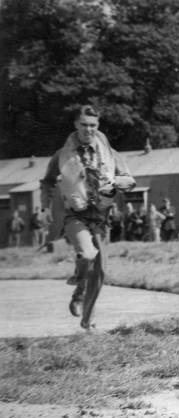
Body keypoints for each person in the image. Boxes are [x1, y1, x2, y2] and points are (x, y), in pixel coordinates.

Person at [40, 105, 135, 329]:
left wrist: (114, 186)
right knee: (87, 253)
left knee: (100, 270)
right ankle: (79, 285)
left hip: (101, 217)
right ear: (76, 125)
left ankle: (87, 318)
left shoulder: (111, 153)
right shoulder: (62, 155)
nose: (88, 129)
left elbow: (129, 180)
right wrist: (45, 208)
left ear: (98, 126)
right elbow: (47, 182)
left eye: (93, 125)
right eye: (84, 124)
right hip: (75, 216)